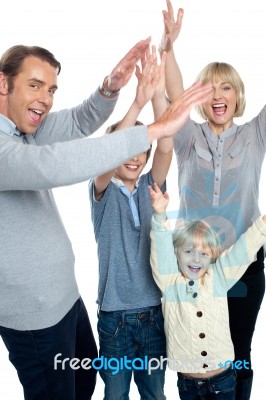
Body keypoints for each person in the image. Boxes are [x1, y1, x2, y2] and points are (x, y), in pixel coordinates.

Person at [0, 38, 212, 400]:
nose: (46, 99)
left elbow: (82, 122)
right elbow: (62, 163)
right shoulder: (92, 183)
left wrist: (120, 90)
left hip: (72, 303)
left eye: (51, 89)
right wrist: (153, 126)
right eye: (34, 85)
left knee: (95, 386)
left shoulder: (25, 132)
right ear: (3, 84)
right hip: (43, 317)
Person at [158, 1, 266, 398]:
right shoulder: (187, 138)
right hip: (192, 270)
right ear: (199, 98)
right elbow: (174, 95)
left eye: (226, 87)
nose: (218, 95)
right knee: (198, 355)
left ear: (238, 96)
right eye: (209, 88)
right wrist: (168, 47)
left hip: (243, 269)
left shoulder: (255, 135)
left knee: (239, 352)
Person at [88, 45, 170, 399]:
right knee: (116, 395)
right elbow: (114, 153)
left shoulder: (152, 187)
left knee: (155, 393)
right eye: (128, 149)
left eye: (141, 150)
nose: (136, 157)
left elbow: (165, 146)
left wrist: (154, 99)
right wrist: (135, 102)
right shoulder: (102, 188)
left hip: (153, 313)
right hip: (114, 320)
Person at [148, 182, 266, 400]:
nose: (196, 258)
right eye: (189, 251)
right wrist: (160, 215)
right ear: (177, 253)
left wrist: (263, 225)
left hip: (223, 380)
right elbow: (161, 250)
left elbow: (243, 250)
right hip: (188, 384)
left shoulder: (218, 278)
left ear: (212, 258)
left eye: (204, 254)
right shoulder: (170, 283)